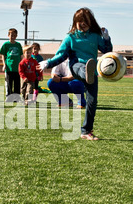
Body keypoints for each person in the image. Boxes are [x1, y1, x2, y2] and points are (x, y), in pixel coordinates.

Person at [37, 8, 113, 141]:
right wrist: (48, 63)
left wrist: (106, 38)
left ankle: (86, 131)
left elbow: (107, 51)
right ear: (75, 22)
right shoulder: (70, 37)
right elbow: (61, 55)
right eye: (80, 22)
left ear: (90, 22)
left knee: (92, 101)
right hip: (76, 66)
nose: (83, 24)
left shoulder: (95, 36)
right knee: (82, 68)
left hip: (92, 71)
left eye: (85, 22)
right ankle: (86, 73)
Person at [0, 28, 23, 102]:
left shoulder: (18, 45)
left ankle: (17, 97)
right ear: (8, 35)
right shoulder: (6, 44)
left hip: (17, 68)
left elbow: (21, 56)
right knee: (9, 83)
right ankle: (9, 97)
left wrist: (21, 65)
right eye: (11, 35)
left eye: (14, 35)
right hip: (9, 67)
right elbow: (3, 55)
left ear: (16, 36)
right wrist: (4, 64)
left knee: (17, 83)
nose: (12, 36)